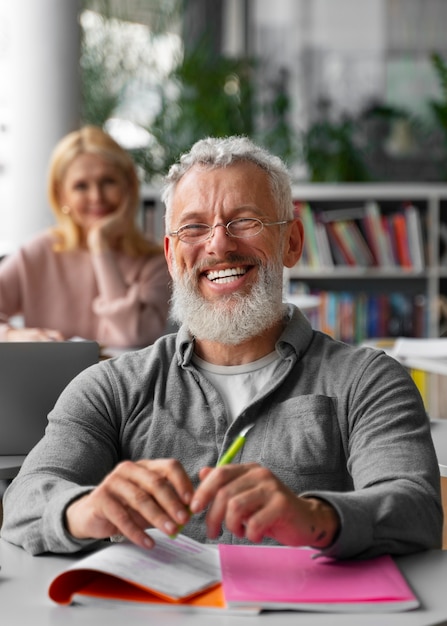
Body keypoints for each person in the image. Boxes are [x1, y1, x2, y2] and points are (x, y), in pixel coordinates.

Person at [1, 136, 442, 559]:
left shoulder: (368, 380)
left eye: (244, 221)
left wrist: (313, 515)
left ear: (291, 242)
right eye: (194, 227)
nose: (219, 244)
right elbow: (26, 499)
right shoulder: (110, 387)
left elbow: (416, 506)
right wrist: (85, 509)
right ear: (172, 256)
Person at [0, 126, 170, 348]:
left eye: (108, 181)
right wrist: (11, 335)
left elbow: (133, 334)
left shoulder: (155, 261)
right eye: (81, 186)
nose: (96, 197)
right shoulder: (38, 252)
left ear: (128, 186)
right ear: (62, 195)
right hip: (52, 382)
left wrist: (100, 247)